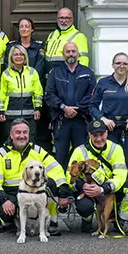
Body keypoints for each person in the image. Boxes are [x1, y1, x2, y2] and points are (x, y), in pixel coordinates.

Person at [0, 118, 72, 236]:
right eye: (18, 132)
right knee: (5, 213)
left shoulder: (37, 150)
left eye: (25, 132)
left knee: (51, 183)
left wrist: (63, 192)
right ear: (11, 135)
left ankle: (52, 222)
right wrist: (4, 200)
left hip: (35, 190)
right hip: (11, 193)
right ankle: (6, 221)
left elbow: (55, 169)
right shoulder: (1, 154)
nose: (22, 136)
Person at [67, 119, 128, 236]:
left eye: (102, 134)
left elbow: (121, 175)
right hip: (88, 190)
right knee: (84, 206)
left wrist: (103, 189)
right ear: (89, 135)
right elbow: (69, 176)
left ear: (107, 133)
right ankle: (87, 219)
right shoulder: (79, 151)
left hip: (109, 188)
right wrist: (82, 186)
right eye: (95, 135)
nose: (99, 138)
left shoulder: (116, 149)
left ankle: (122, 220)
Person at [91, 52, 128, 180]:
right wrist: (103, 119)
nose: (121, 66)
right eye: (118, 63)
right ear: (113, 65)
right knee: (111, 163)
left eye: (125, 63)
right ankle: (113, 195)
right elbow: (92, 106)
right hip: (110, 129)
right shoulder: (103, 83)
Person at [44, 42, 96, 170]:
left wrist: (76, 108)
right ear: (63, 54)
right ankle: (61, 187)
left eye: (73, 51)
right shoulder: (55, 73)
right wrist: (64, 107)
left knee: (82, 157)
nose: (71, 54)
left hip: (81, 120)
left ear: (78, 53)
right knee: (60, 156)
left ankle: (80, 187)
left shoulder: (88, 72)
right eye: (68, 52)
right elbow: (49, 94)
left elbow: (93, 94)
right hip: (61, 120)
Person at [0, 45, 43, 141]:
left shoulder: (32, 72)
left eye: (21, 54)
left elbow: (38, 92)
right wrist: (1, 111)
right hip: (10, 115)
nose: (18, 57)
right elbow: (1, 94)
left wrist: (38, 108)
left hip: (29, 114)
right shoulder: (6, 73)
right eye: (16, 55)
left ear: (25, 57)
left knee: (30, 142)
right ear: (11, 57)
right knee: (11, 142)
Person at [43, 7, 89, 73]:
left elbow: (83, 60)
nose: (64, 21)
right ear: (57, 19)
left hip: (66, 76)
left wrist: (79, 76)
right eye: (61, 18)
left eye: (67, 18)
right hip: (49, 76)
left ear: (72, 19)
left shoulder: (79, 36)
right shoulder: (52, 34)